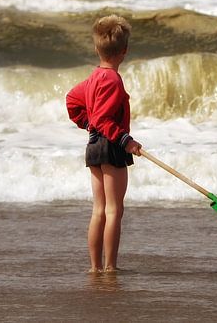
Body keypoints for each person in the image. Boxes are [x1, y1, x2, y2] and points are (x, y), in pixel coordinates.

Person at [66, 15, 142, 273]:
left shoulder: (94, 78)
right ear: (124, 51)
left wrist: (87, 124)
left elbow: (72, 100)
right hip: (111, 146)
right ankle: (110, 267)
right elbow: (104, 118)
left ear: (97, 49)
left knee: (99, 209)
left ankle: (94, 267)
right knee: (114, 210)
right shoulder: (112, 80)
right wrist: (126, 141)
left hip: (94, 145)